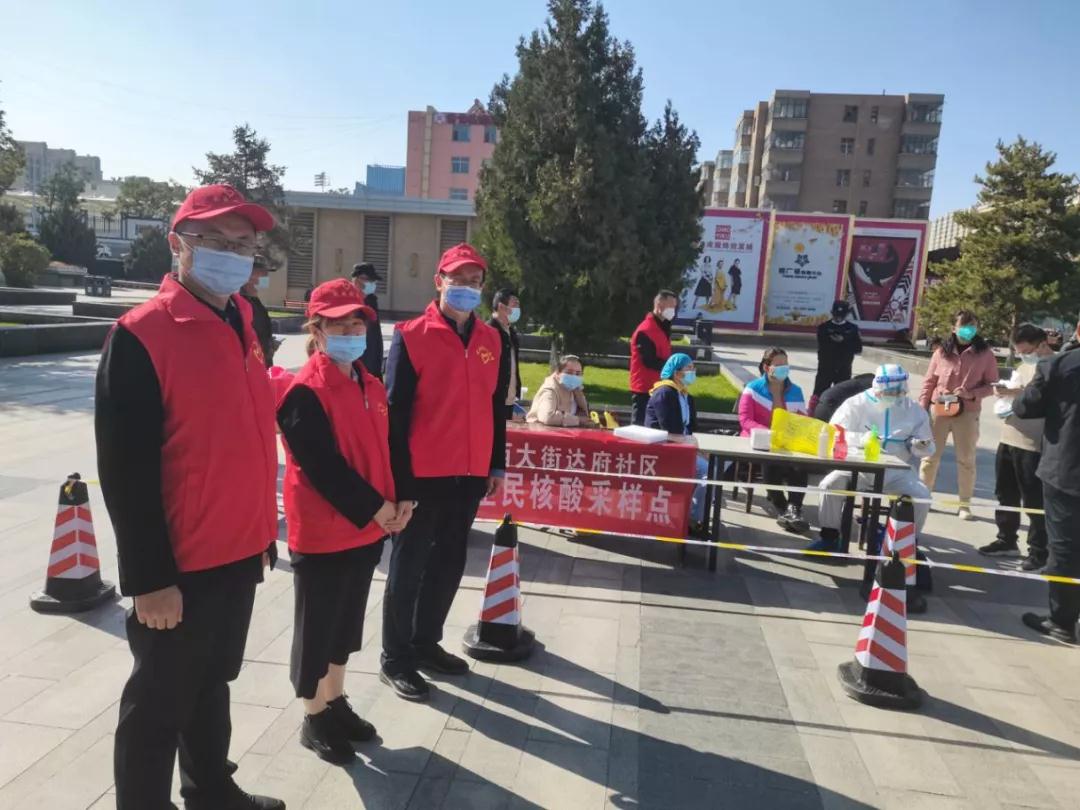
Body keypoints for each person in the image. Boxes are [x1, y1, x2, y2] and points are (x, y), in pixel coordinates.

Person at [95, 184, 284, 810]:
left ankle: (210, 790)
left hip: (238, 550)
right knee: (157, 705)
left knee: (213, 682)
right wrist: (149, 578)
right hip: (180, 566)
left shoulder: (243, 322)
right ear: (178, 244)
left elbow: (248, 436)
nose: (233, 254)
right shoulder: (142, 334)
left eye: (244, 244)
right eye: (215, 241)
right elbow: (125, 471)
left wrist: (262, 536)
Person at [277, 279, 411, 765]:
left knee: (345, 624)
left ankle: (335, 701)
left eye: (358, 323)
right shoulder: (304, 392)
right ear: (316, 330)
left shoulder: (368, 382)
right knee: (317, 629)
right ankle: (313, 715)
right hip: (325, 531)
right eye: (339, 325)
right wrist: (376, 507)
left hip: (368, 527)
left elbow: (390, 447)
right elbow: (323, 468)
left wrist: (403, 499)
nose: (352, 332)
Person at [380, 243, 510, 701]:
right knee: (409, 565)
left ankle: (425, 642)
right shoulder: (412, 335)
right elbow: (394, 415)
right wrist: (399, 483)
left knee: (449, 562)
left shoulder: (492, 340)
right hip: (422, 475)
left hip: (469, 473)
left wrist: (496, 463)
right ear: (439, 281)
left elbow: (497, 407)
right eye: (458, 280)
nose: (467, 288)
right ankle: (396, 657)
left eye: (475, 282)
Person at [810, 364, 935, 553]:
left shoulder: (914, 410)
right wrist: (861, 439)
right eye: (889, 392)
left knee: (922, 496)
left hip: (897, 471)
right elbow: (834, 433)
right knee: (829, 485)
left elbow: (928, 446)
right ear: (877, 388)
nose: (894, 396)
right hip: (857, 468)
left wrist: (918, 445)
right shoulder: (856, 404)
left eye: (898, 393)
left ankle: (908, 545)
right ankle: (829, 536)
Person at [1013, 338, 1080, 644]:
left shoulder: (1059, 365)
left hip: (1067, 471)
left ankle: (1061, 621)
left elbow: (1024, 407)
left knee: (1065, 548)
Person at [979, 324, 1053, 569]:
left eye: (1026, 351)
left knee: (1034, 500)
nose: (1023, 355)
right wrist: (1005, 393)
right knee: (1005, 493)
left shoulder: (1055, 367)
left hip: (1033, 443)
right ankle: (1007, 539)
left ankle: (1039, 551)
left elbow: (1041, 397)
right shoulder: (1023, 366)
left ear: (1042, 344)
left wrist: (1015, 392)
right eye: (1019, 351)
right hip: (1009, 437)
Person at [919, 309, 999, 520]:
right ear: (954, 328)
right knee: (930, 457)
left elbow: (992, 385)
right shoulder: (941, 353)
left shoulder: (986, 354)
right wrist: (922, 407)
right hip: (939, 410)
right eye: (964, 325)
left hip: (968, 412)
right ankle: (923, 498)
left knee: (966, 459)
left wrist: (971, 394)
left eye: (972, 326)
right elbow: (929, 381)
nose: (968, 330)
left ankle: (964, 505)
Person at [738, 347, 810, 533]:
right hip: (760, 442)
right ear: (766, 367)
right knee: (771, 462)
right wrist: (769, 434)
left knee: (801, 465)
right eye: (778, 365)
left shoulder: (796, 391)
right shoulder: (752, 389)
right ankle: (783, 507)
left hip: (787, 442)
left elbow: (803, 420)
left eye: (785, 364)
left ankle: (794, 508)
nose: (783, 368)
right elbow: (745, 420)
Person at [645, 353, 710, 534]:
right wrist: (693, 445)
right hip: (665, 448)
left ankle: (696, 513)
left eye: (693, 368)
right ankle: (693, 519)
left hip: (683, 446)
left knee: (718, 464)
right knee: (708, 473)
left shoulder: (686, 396)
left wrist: (698, 447)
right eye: (689, 368)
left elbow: (691, 428)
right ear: (676, 373)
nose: (693, 372)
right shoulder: (664, 393)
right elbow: (669, 430)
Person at [629, 290, 677, 425]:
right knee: (640, 425)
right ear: (659, 304)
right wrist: (673, 368)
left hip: (659, 385)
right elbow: (649, 361)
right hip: (645, 387)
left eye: (675, 307)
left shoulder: (662, 326)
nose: (673, 310)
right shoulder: (645, 330)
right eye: (671, 306)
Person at [813, 300, 862, 398]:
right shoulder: (823, 327)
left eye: (842, 315)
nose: (838, 317)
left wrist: (844, 340)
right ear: (832, 313)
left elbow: (858, 348)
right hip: (825, 368)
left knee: (842, 397)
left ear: (847, 314)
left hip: (844, 369)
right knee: (819, 395)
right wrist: (833, 340)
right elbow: (822, 346)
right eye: (836, 314)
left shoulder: (852, 329)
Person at [527, 354, 590, 426]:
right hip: (541, 430)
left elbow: (583, 412)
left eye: (578, 373)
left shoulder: (576, 389)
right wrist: (578, 420)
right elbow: (547, 417)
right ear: (558, 372)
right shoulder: (550, 390)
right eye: (569, 372)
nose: (574, 376)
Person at [489, 288, 523, 420]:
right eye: (514, 304)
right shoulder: (487, 332)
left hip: (509, 401)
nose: (518, 309)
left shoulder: (512, 333)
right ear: (501, 307)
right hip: (492, 401)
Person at [240, 253, 276, 368]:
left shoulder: (255, 302)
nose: (266, 276)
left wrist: (270, 345)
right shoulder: (241, 304)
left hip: (262, 365)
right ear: (249, 275)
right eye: (263, 272)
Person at [349, 262, 384, 378]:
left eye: (374, 281)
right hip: (355, 365)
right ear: (356, 280)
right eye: (368, 280)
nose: (372, 284)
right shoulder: (348, 304)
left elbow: (375, 337)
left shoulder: (371, 301)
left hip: (372, 365)